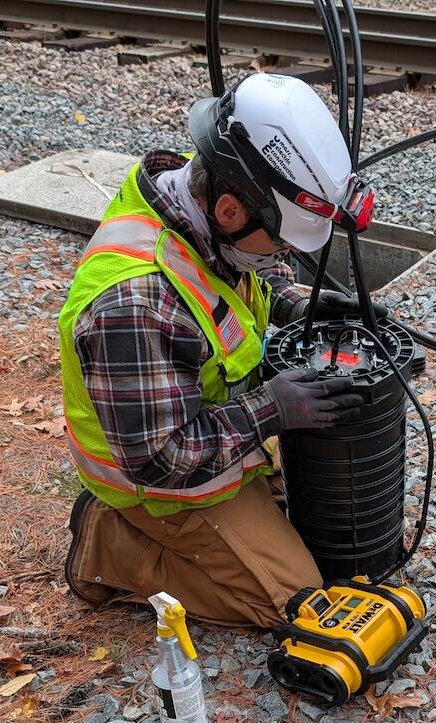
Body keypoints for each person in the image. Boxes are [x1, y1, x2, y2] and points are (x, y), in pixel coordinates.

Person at [59, 72, 381, 628]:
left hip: (211, 431)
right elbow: (161, 458)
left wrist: (299, 306)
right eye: (280, 241)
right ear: (231, 212)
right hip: (161, 482)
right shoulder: (135, 305)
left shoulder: (202, 194)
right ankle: (110, 544)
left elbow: (234, 283)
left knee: (317, 520)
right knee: (295, 599)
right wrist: (272, 409)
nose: (283, 255)